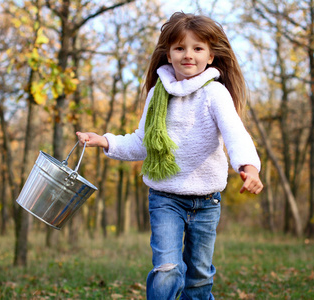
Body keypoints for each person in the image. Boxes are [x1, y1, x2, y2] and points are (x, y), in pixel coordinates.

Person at [76, 12, 263, 300]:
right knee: (167, 269)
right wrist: (104, 141)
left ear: (211, 56)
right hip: (165, 198)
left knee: (199, 276)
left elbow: (235, 133)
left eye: (198, 48)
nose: (188, 55)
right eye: (180, 48)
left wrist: (249, 167)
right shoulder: (157, 94)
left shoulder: (215, 94)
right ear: (168, 54)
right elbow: (142, 142)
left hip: (206, 200)